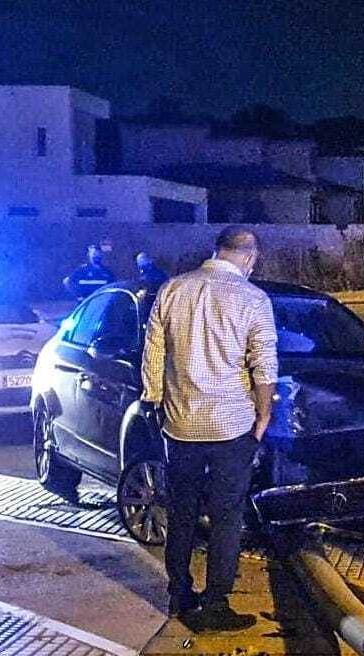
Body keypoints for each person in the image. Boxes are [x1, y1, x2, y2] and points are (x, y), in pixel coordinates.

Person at [141, 226, 277, 634]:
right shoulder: (253, 299)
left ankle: (179, 594)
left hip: (180, 424)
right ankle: (216, 602)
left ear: (216, 251)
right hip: (231, 426)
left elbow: (153, 351)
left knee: (180, 512)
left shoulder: (172, 289)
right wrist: (264, 414)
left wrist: (154, 398)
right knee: (225, 517)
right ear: (249, 259)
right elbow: (264, 363)